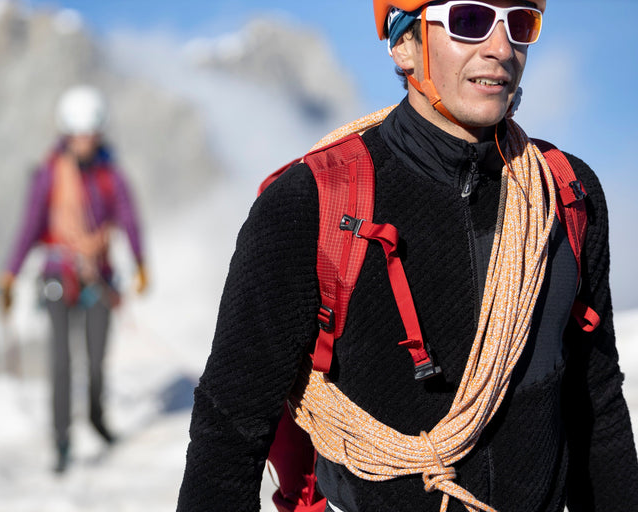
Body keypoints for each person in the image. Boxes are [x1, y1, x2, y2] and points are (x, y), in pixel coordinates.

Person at [177, 1, 638, 511]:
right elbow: (231, 426)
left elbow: (594, 400)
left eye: (520, 24)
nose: (502, 48)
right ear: (403, 43)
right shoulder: (310, 203)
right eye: (470, 20)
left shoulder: (566, 193)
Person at [0, 85, 148, 473]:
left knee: (96, 361)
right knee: (61, 363)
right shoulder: (49, 175)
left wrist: (140, 260)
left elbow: (128, 218)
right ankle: (62, 441)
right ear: (68, 132)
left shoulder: (110, 176)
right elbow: (31, 224)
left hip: (98, 277)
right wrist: (10, 273)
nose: (84, 141)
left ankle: (96, 418)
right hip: (57, 275)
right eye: (79, 134)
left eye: (90, 134)